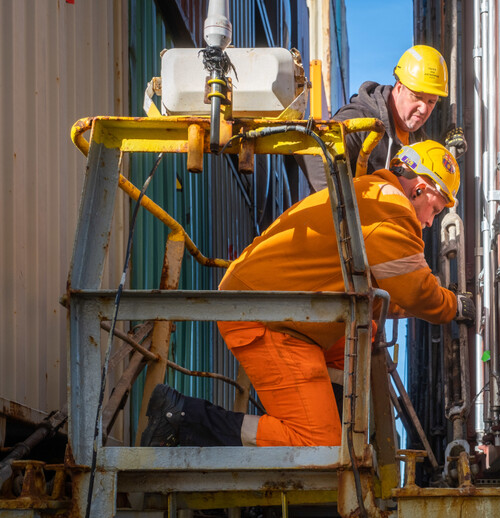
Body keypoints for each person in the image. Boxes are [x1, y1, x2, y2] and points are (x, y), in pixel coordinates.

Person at [141, 140, 475, 448]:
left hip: (281, 312)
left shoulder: (371, 194)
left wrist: (423, 304)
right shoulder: (390, 207)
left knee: (362, 334)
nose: (431, 221)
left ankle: (342, 433)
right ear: (420, 188)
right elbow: (419, 291)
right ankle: (183, 417)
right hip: (266, 317)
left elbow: (392, 292)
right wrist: (456, 305)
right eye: (436, 207)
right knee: (320, 442)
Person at [301, 45, 449, 192]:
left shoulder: (418, 142)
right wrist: (347, 210)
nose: (424, 109)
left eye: (431, 102)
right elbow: (315, 155)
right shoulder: (362, 119)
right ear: (399, 87)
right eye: (417, 97)